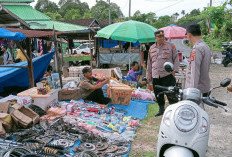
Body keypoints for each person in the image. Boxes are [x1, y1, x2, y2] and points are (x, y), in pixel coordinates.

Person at [146, 30, 179, 117]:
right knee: (158, 94)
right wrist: (148, 75)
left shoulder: (170, 45)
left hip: (167, 75)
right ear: (155, 38)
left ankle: (174, 110)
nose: (161, 38)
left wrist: (174, 70)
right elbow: (149, 63)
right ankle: (161, 109)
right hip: (156, 75)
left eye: (162, 36)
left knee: (171, 93)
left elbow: (176, 58)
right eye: (159, 37)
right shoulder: (151, 48)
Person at [185, 24, 211, 96]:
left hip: (197, 90)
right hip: (204, 87)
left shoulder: (197, 48)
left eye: (186, 35)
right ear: (201, 33)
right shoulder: (205, 46)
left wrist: (192, 92)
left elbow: (194, 72)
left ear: (189, 35)